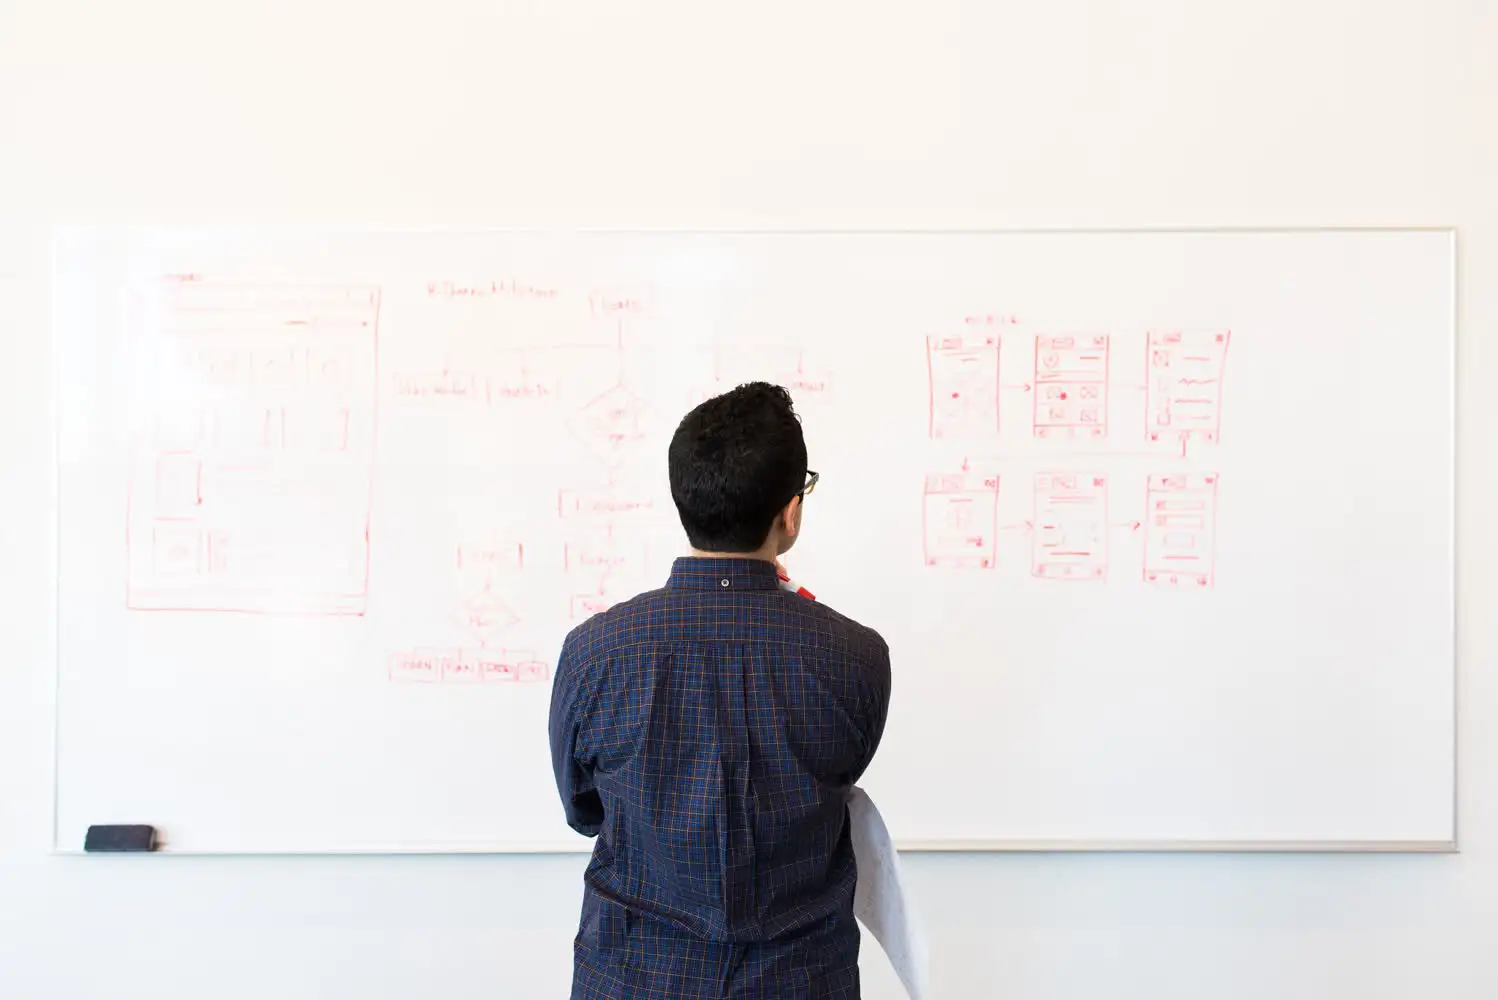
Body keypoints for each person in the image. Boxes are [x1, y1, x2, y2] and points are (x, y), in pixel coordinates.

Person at [548, 381, 893, 999]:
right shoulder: (855, 656)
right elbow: (839, 779)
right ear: (789, 512)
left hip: (633, 979)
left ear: (685, 500)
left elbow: (583, 811)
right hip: (801, 982)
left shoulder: (595, 651)